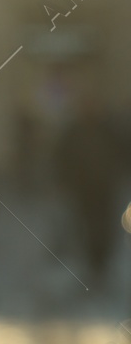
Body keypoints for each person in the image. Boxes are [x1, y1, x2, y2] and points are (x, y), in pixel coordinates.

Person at [54, 95, 126, 281]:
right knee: (85, 227)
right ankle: (92, 263)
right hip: (83, 190)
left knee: (103, 227)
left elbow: (121, 153)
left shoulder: (108, 130)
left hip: (103, 189)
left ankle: (101, 263)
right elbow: (62, 157)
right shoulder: (74, 131)